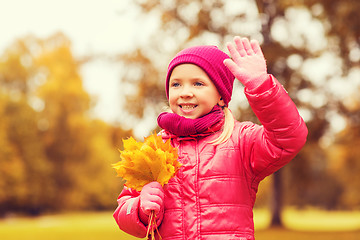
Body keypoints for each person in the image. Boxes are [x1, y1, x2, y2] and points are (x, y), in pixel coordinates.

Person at [113, 36, 308, 240]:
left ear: (221, 95)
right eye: (176, 84)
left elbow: (289, 137)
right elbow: (123, 211)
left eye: (198, 83)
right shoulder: (154, 150)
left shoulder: (240, 141)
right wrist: (141, 209)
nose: (185, 92)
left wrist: (261, 86)